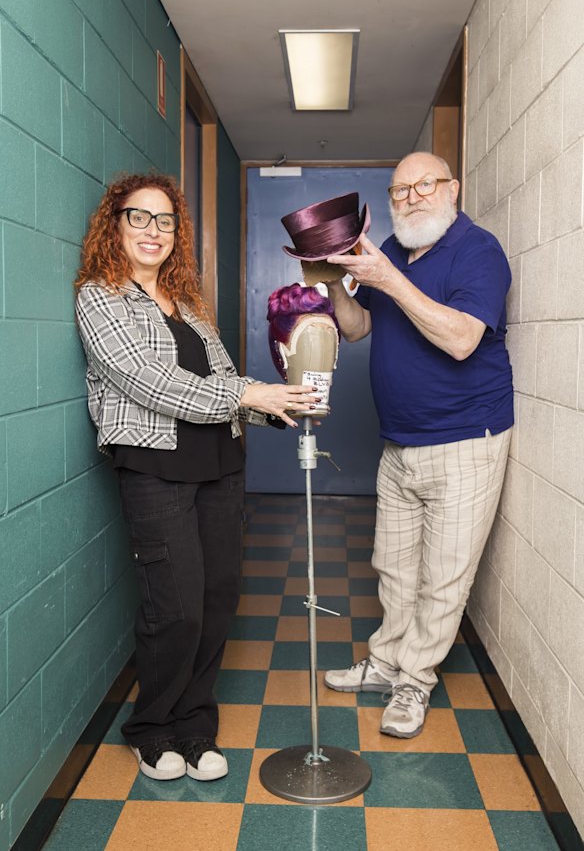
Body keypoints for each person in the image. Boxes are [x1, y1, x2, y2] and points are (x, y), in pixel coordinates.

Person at [75, 173, 318, 781]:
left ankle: (194, 726)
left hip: (219, 464)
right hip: (155, 466)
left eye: (165, 221)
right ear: (115, 223)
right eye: (139, 217)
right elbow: (149, 381)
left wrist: (279, 403)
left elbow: (225, 385)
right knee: (175, 606)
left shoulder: (188, 304)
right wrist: (247, 390)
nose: (153, 231)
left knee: (215, 601)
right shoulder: (99, 297)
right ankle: (151, 728)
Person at [322, 152, 514, 738]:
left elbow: (460, 339)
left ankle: (416, 680)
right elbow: (357, 328)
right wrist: (335, 283)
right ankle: (385, 662)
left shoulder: (478, 250)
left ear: (452, 189)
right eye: (399, 189)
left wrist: (388, 278)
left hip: (465, 441)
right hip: (399, 443)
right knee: (395, 568)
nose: (411, 197)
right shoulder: (399, 257)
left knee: (443, 577)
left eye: (424, 185)